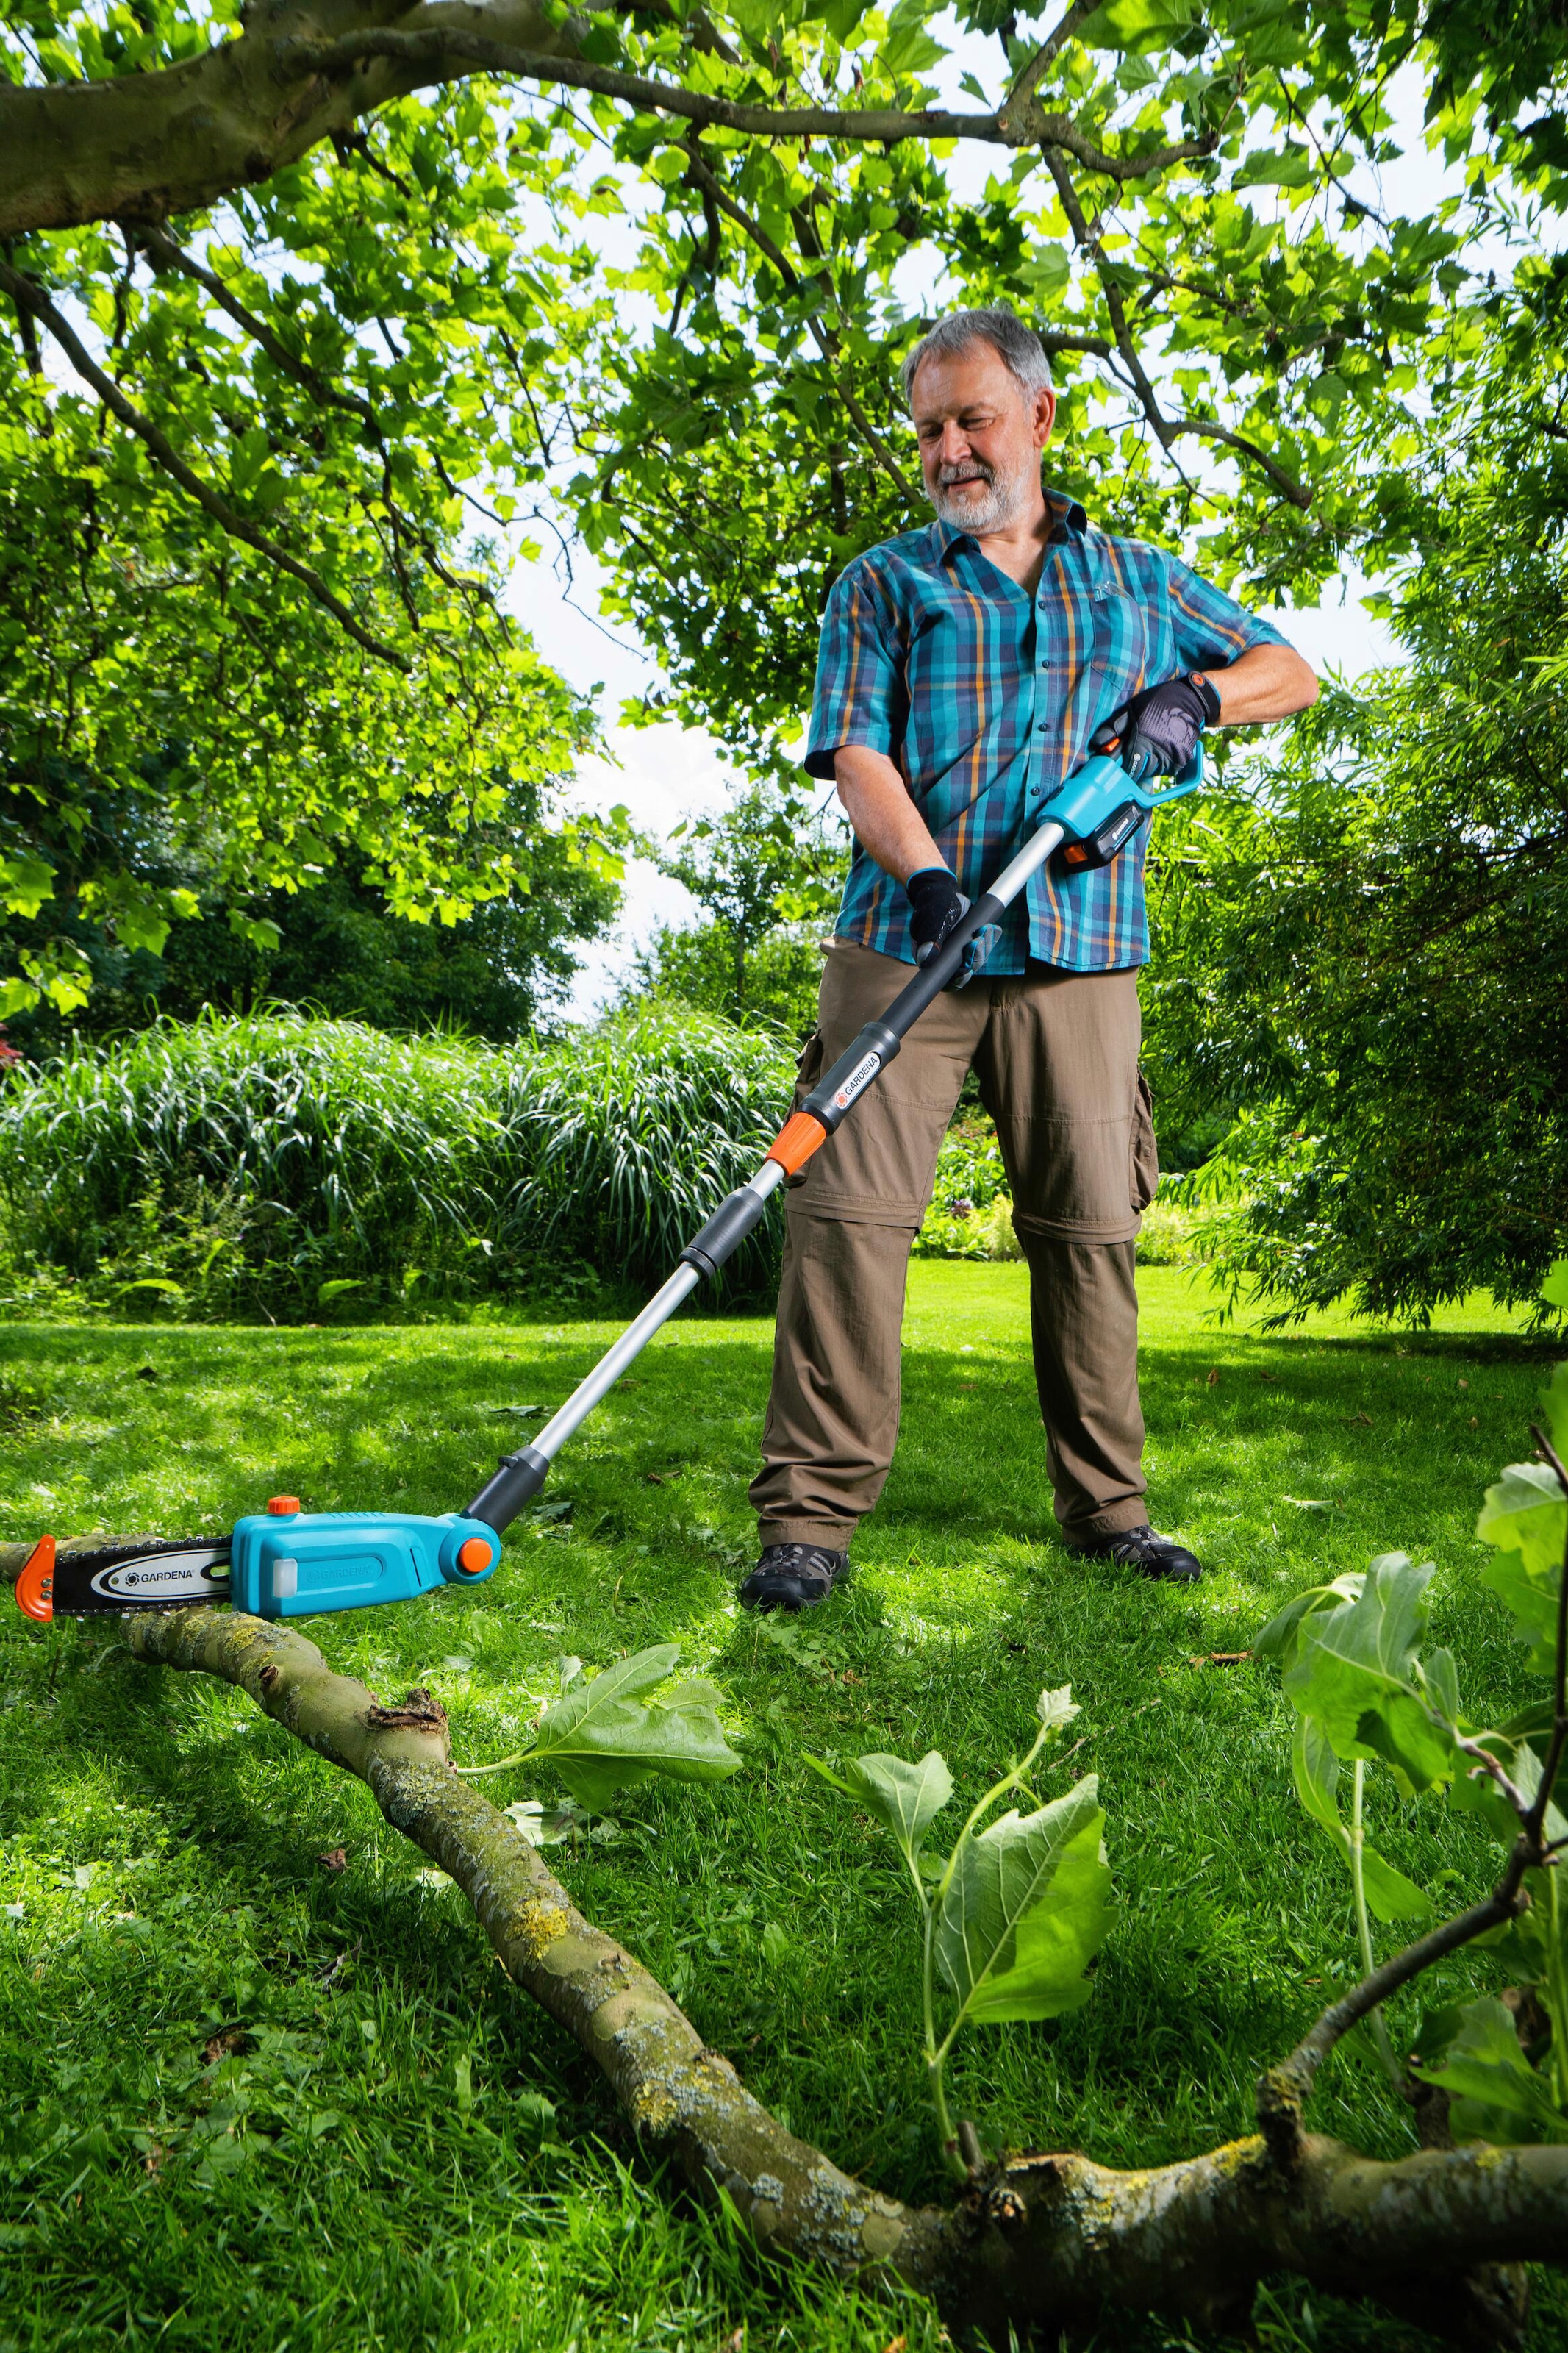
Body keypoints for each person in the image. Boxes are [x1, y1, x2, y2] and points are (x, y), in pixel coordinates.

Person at [740, 307, 1318, 1613]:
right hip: (907, 941)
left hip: (1081, 950)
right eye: (928, 428)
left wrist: (1196, 698)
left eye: (971, 418)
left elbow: (1291, 672)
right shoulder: (884, 583)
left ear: (1039, 418)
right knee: (843, 1223)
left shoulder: (1139, 582)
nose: (947, 448)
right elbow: (855, 755)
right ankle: (808, 1527)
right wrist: (929, 874)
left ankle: (1109, 1512)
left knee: (1088, 1229)